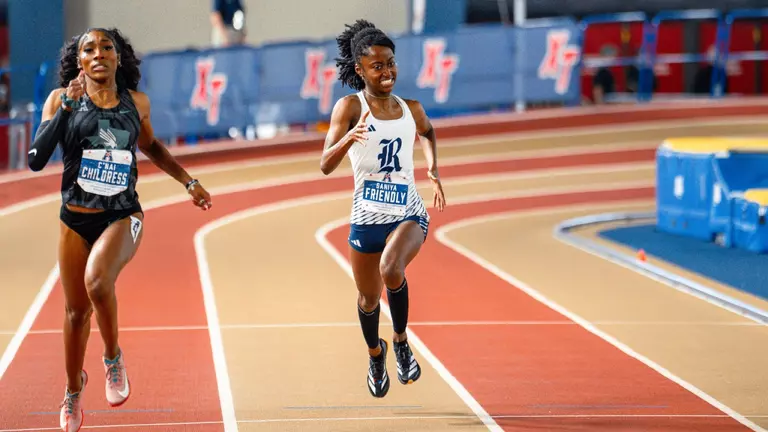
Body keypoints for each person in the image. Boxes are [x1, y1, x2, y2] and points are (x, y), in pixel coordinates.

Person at [27, 27, 212, 431]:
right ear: (78, 61)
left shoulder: (136, 103)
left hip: (122, 215)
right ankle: (73, 391)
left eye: (106, 48)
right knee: (75, 313)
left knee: (97, 281)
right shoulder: (61, 99)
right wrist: (65, 109)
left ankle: (112, 358)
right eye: (88, 49)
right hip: (74, 218)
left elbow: (151, 146)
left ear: (117, 57)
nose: (98, 54)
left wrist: (188, 182)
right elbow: (36, 160)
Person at [320, 19, 446, 398]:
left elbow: (428, 131)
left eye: (390, 62)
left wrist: (433, 169)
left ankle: (403, 341)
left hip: (408, 212)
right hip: (366, 219)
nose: (387, 71)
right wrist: (348, 139)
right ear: (359, 70)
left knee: (392, 268)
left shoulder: (410, 108)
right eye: (377, 66)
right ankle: (377, 354)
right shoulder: (348, 107)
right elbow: (325, 164)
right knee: (368, 299)